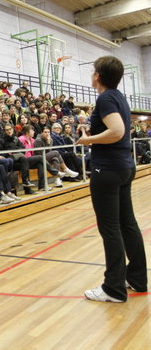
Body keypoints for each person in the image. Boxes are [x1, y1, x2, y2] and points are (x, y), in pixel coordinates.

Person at [77, 56, 147, 302]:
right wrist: (92, 132)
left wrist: (88, 140)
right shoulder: (119, 97)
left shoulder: (105, 97)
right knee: (127, 223)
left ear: (98, 76)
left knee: (110, 229)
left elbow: (116, 131)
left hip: (107, 170)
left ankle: (113, 288)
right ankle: (137, 279)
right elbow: (117, 129)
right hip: (123, 167)